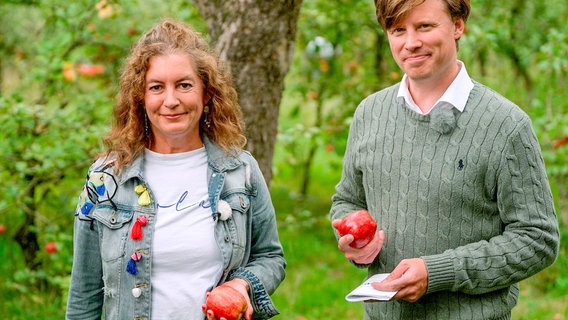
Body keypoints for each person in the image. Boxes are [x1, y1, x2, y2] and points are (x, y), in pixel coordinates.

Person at [330, 0, 560, 319]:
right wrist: (355, 241)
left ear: (458, 25)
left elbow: (538, 240)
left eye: (425, 26)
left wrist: (439, 272)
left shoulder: (505, 125)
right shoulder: (370, 113)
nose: (411, 42)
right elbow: (346, 201)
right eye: (398, 30)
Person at [66, 20, 285, 320]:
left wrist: (241, 284)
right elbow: (83, 295)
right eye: (156, 87)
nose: (171, 101)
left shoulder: (239, 170)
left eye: (184, 85)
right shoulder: (105, 180)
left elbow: (271, 257)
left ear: (206, 93)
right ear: (140, 98)